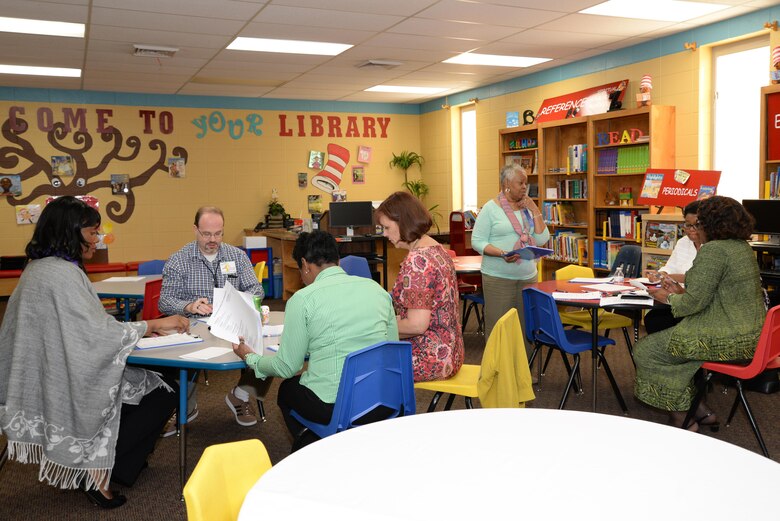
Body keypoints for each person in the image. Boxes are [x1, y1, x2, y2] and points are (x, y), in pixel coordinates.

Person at [0, 196, 188, 509]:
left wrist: (140, 328)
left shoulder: (38, 268)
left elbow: (83, 328)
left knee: (155, 386)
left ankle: (117, 465)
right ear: (69, 232)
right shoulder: (64, 275)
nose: (96, 240)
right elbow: (95, 335)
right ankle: (97, 472)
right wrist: (153, 323)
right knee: (164, 391)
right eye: (91, 233)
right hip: (67, 379)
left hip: (42, 376)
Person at [232, 231, 398, 451]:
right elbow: (392, 347)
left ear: (304, 264)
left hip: (337, 405)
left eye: (301, 271)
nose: (302, 278)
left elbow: (286, 366)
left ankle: (315, 449)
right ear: (337, 260)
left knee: (288, 390)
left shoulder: (303, 299)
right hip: (384, 398)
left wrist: (250, 357)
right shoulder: (377, 290)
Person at [635, 196, 766, 431]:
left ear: (711, 224)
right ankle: (700, 409)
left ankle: (681, 416)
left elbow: (692, 305)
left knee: (647, 350)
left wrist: (667, 297)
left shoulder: (714, 251)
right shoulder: (741, 248)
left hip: (727, 338)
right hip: (753, 335)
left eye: (700, 223)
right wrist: (681, 292)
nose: (696, 228)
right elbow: (715, 293)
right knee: (675, 350)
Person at [159, 206, 265, 428]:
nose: (213, 239)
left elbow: (256, 289)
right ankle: (184, 406)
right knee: (183, 360)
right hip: (194, 327)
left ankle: (241, 395)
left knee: (267, 349)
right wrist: (190, 305)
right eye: (206, 234)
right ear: (195, 229)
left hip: (233, 325)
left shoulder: (237, 256)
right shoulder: (180, 260)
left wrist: (238, 302)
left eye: (218, 233)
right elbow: (165, 301)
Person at [375, 191, 464, 382]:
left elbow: (416, 325)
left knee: (362, 364)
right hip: (453, 351)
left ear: (403, 222)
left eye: (387, 227)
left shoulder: (417, 261)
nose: (384, 234)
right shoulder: (438, 249)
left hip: (429, 357)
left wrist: (374, 327)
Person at [471, 164, 550, 349]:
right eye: (520, 183)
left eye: (526, 183)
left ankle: (523, 374)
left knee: (526, 326)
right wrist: (501, 253)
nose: (525, 187)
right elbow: (477, 241)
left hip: (527, 276)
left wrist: (535, 208)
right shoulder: (490, 209)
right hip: (499, 278)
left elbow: (542, 238)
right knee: (499, 326)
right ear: (506, 183)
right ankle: (497, 374)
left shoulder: (527, 208)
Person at [643, 200, 702, 334]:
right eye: (688, 225)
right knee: (653, 319)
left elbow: (695, 276)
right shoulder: (683, 242)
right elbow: (671, 266)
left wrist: (667, 276)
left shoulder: (713, 246)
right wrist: (659, 274)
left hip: (695, 301)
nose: (691, 229)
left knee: (672, 321)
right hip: (676, 296)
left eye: (696, 225)